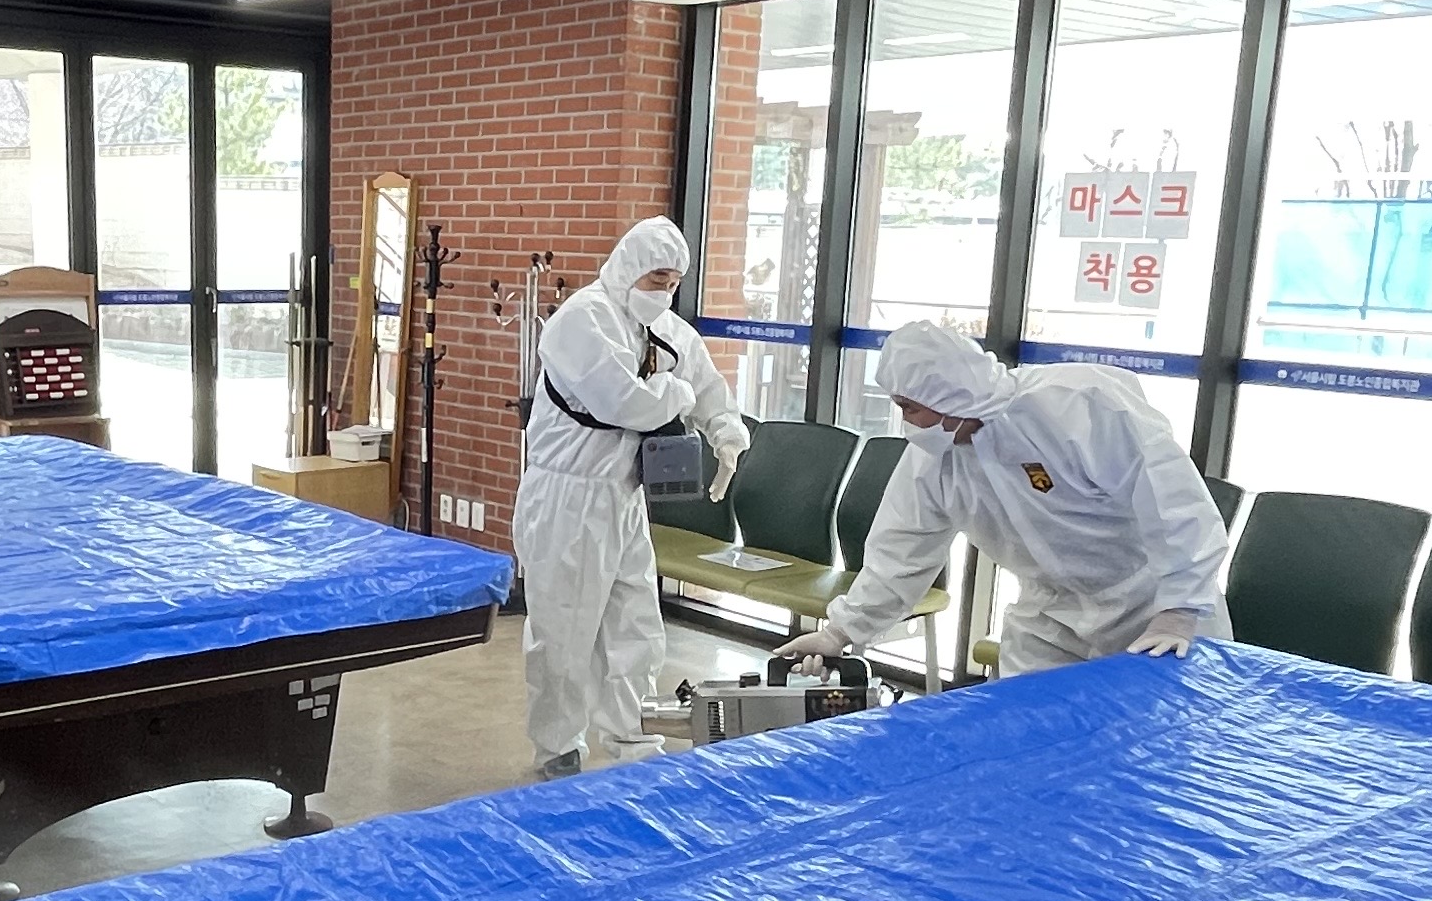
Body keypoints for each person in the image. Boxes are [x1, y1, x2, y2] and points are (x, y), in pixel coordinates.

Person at [784, 320, 1227, 677]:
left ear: (948, 395)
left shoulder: (1079, 405)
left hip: (1151, 608)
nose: (906, 421)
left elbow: (1175, 504)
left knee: (1162, 744)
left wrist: (1178, 609)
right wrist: (840, 633)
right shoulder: (933, 460)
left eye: (909, 407)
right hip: (1050, 618)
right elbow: (899, 554)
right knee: (1030, 736)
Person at [513, 216, 748, 776]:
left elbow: (706, 384)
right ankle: (558, 747)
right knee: (564, 634)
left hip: (623, 498)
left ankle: (634, 743)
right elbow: (626, 402)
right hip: (565, 498)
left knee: (636, 628)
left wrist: (727, 434)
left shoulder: (663, 328)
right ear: (627, 268)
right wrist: (677, 391)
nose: (663, 291)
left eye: (673, 283)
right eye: (655, 279)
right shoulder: (581, 321)